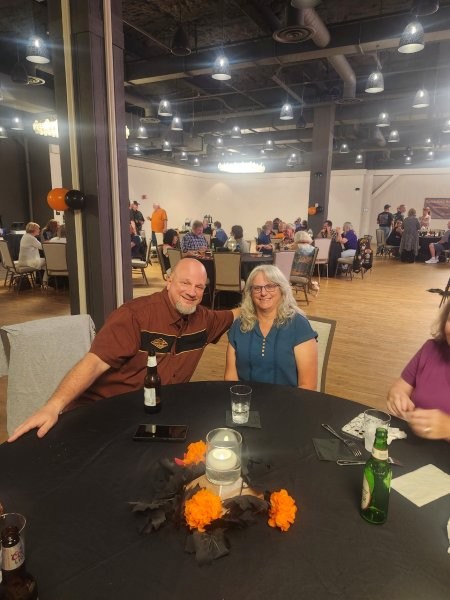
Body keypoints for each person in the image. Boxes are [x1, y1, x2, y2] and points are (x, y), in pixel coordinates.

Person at [8, 259, 238, 442]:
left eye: (199, 286)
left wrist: (258, 297)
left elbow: (236, 314)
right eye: (185, 283)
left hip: (153, 416)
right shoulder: (135, 316)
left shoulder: (204, 320)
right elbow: (93, 363)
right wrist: (53, 406)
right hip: (106, 413)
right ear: (169, 281)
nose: (192, 292)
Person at [224, 265, 318, 389]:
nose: (263, 293)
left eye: (270, 286)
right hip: (246, 398)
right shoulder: (239, 325)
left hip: (288, 399)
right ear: (250, 293)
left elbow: (308, 385)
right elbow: (230, 378)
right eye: (257, 288)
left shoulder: (299, 326)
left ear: (282, 289)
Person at [386, 302, 450, 441]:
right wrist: (397, 396)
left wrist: (447, 428)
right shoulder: (430, 349)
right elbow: (400, 388)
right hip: (415, 446)